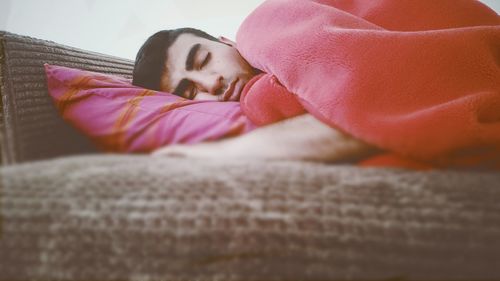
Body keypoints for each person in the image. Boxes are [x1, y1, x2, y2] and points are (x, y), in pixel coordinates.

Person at [132, 28, 377, 161]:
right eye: (191, 91)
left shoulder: (265, 30)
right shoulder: (256, 103)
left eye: (204, 59)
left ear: (227, 42)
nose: (212, 83)